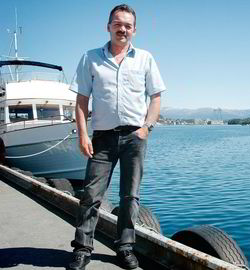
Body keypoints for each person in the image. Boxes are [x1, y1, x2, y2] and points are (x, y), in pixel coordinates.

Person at [68, 4, 166, 270]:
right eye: (117, 23)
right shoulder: (91, 58)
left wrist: (146, 128)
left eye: (127, 25)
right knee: (90, 195)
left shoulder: (145, 58)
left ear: (134, 30)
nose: (122, 29)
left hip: (135, 138)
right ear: (108, 26)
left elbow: (156, 97)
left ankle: (124, 248)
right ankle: (82, 249)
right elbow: (81, 100)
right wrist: (83, 135)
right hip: (102, 138)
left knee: (129, 197)